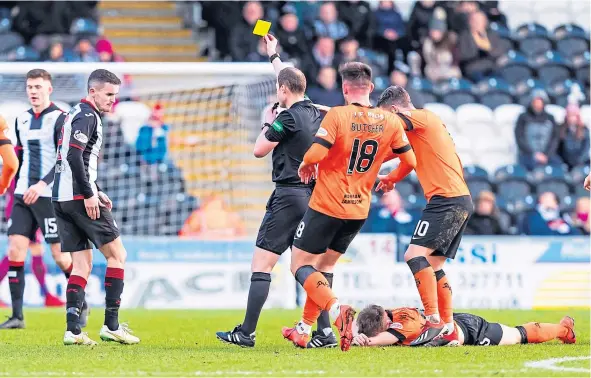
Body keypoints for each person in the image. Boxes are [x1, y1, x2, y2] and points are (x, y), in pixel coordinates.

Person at [281, 62, 416, 351]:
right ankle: (305, 329)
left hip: (328, 204)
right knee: (325, 266)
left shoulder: (339, 115)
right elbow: (410, 160)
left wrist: (306, 164)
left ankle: (336, 309)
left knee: (300, 264)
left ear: (344, 89)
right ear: (370, 88)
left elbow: (316, 152)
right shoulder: (389, 121)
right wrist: (389, 180)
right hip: (358, 210)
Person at [216, 34, 323, 348]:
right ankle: (325, 332)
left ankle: (246, 332)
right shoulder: (317, 112)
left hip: (288, 196)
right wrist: (273, 55)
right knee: (307, 266)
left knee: (262, 265)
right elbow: (287, 79)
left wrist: (267, 121)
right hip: (314, 197)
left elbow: (259, 150)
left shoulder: (286, 117)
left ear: (284, 91)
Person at [376, 85, 473, 346]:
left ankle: (432, 322)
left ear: (394, 110)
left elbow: (387, 127)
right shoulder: (420, 130)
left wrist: (361, 119)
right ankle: (449, 328)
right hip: (456, 199)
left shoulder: (424, 117)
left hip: (446, 199)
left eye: (386, 114)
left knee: (414, 255)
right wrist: (391, 178)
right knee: (434, 265)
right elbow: (400, 155)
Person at [53, 69, 139, 346]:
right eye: (109, 94)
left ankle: (73, 331)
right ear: (93, 92)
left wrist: (97, 190)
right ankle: (111, 326)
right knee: (118, 255)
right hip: (79, 198)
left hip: (62, 199)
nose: (113, 100)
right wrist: (89, 194)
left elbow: (71, 160)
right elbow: (73, 156)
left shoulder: (73, 113)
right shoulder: (88, 116)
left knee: (82, 264)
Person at [1, 69, 84, 330]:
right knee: (15, 250)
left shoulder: (60, 119)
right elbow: (20, 157)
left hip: (48, 196)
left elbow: (64, 159)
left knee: (60, 257)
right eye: (29, 87)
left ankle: (80, 303)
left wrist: (41, 184)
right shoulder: (21, 120)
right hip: (22, 194)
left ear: (49, 89)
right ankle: (17, 316)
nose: (33, 92)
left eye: (38, 86)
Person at [352, 305, 576, 347]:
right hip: (454, 323)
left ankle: (563, 330)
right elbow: (355, 319)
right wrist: (355, 332)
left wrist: (362, 340)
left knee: (518, 335)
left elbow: (383, 339)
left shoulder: (404, 325)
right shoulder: (388, 311)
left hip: (470, 331)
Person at [515, 90, 562, 171]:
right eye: (535, 102)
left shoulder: (550, 118)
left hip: (547, 155)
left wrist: (546, 155)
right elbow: (520, 138)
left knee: (559, 167)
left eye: (540, 102)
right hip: (527, 154)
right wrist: (534, 154)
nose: (538, 105)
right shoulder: (523, 117)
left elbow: (554, 138)